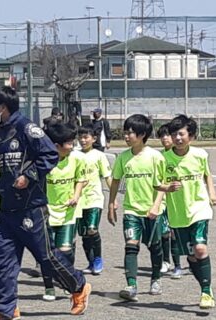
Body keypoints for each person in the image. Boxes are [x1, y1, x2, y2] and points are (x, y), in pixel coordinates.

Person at [0, 86, 91, 320]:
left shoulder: (26, 127)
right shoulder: (2, 131)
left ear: (3, 106)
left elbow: (50, 154)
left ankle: (79, 286)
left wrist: (29, 176)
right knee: (3, 260)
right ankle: (7, 308)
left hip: (30, 207)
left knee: (46, 257)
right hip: (6, 207)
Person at [162, 114, 216, 309]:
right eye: (174, 134)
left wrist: (212, 194)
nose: (177, 138)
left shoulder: (200, 155)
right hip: (178, 213)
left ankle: (205, 292)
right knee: (192, 256)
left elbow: (207, 175)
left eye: (181, 134)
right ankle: (205, 286)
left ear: (191, 136)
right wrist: (166, 188)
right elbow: (157, 184)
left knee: (200, 248)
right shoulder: (163, 159)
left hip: (199, 208)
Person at [107, 114, 166, 302]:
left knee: (155, 247)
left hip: (152, 211)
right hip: (131, 210)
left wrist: (156, 206)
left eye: (130, 133)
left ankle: (156, 278)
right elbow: (115, 181)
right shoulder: (123, 157)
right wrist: (111, 203)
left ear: (142, 135)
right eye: (125, 133)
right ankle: (131, 285)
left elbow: (163, 184)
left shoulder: (156, 157)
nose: (126, 137)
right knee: (131, 246)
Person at [41, 122, 87, 301]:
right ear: (56, 146)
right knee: (47, 253)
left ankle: (68, 282)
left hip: (68, 211)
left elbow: (80, 179)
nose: (72, 146)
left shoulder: (77, 159)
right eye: (68, 143)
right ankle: (49, 287)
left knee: (65, 249)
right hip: (47, 212)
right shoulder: (44, 160)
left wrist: (76, 196)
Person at [77, 124, 112, 275]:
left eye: (86, 137)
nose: (83, 140)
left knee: (92, 229)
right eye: (81, 137)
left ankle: (98, 258)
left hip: (94, 199)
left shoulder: (99, 155)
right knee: (84, 234)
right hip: (78, 201)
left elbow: (107, 177)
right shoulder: (74, 155)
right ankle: (90, 262)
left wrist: (113, 197)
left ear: (94, 139)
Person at [156, 124, 182, 279]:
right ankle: (166, 261)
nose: (164, 138)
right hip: (162, 200)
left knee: (175, 233)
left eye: (167, 135)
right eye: (161, 136)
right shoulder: (159, 157)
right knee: (164, 233)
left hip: (177, 201)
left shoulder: (178, 156)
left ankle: (179, 265)